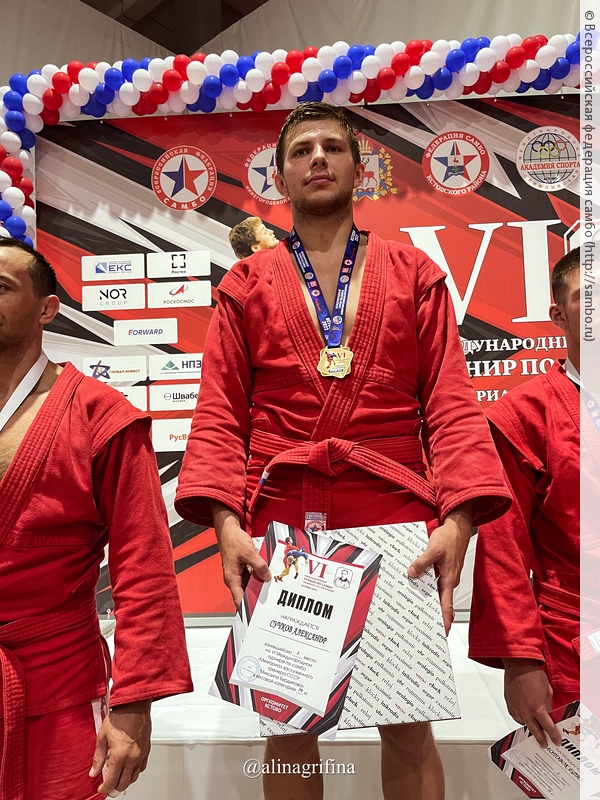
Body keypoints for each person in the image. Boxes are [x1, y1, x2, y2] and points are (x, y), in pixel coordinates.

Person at [176, 102, 510, 800]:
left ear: (361, 170)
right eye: (301, 150)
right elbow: (220, 413)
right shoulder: (246, 284)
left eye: (333, 147)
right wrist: (227, 523)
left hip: (396, 514)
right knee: (287, 727)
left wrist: (457, 521)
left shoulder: (413, 272)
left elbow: (450, 405)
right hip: (283, 521)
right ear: (280, 177)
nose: (318, 159)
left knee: (408, 723)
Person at [0, 238, 193, 800]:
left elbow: (143, 565)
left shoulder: (99, 416)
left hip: (53, 681)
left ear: (47, 309)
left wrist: (133, 703)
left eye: (2, 287)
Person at [469, 247, 580, 748]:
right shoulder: (525, 414)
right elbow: (503, 548)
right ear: (558, 314)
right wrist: (520, 658)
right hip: (576, 639)